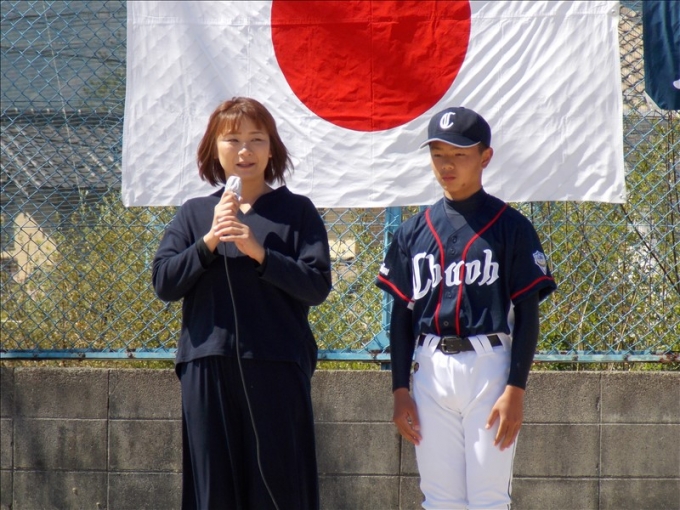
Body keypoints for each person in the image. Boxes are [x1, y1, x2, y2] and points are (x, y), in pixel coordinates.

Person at [152, 97, 332, 510]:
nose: (244, 151)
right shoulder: (195, 213)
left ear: (272, 149)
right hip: (207, 365)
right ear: (214, 149)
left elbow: (316, 286)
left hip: (276, 365)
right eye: (232, 140)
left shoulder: (297, 212)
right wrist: (209, 241)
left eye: (256, 139)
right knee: (213, 489)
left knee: (280, 487)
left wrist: (261, 254)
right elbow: (165, 282)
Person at [375, 106, 557, 509]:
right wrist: (400, 389)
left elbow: (528, 315)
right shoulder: (413, 231)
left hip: (489, 366)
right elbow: (401, 317)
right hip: (429, 367)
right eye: (438, 154)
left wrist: (516, 388)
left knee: (489, 498)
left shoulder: (512, 226)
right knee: (439, 499)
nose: (447, 164)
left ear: (485, 157)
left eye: (459, 154)